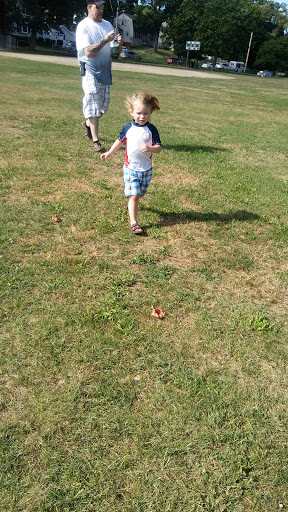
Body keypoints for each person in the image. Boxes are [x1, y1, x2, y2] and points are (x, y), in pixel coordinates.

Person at [100, 92, 162, 234]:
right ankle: (134, 223)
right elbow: (120, 140)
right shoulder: (128, 128)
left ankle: (131, 203)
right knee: (134, 195)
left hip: (146, 169)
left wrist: (151, 148)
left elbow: (159, 148)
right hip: (130, 168)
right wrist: (109, 152)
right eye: (139, 113)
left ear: (150, 112)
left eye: (146, 113)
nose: (142, 116)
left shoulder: (151, 130)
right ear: (131, 112)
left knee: (139, 194)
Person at [76, 0, 122, 152]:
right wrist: (105, 40)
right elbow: (89, 52)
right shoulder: (83, 26)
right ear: (89, 7)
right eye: (98, 7)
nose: (101, 10)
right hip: (90, 69)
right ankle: (96, 141)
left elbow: (114, 51)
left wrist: (119, 44)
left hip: (105, 71)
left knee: (102, 108)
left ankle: (88, 124)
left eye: (102, 7)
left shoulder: (108, 25)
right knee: (93, 102)